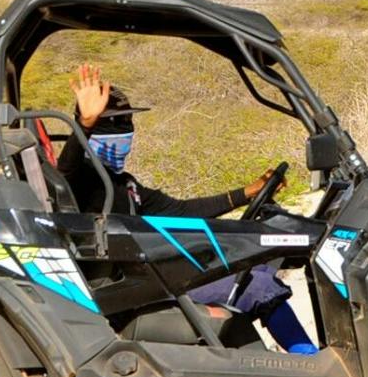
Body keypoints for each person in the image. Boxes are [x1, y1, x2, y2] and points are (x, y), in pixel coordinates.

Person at [58, 63, 318, 355]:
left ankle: (289, 362)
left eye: (128, 121)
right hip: (131, 289)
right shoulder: (81, 181)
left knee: (254, 270)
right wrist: (84, 125)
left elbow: (181, 211)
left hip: (151, 276)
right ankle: (308, 359)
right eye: (117, 123)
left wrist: (247, 193)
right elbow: (65, 170)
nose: (126, 131)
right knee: (258, 285)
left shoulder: (125, 185)